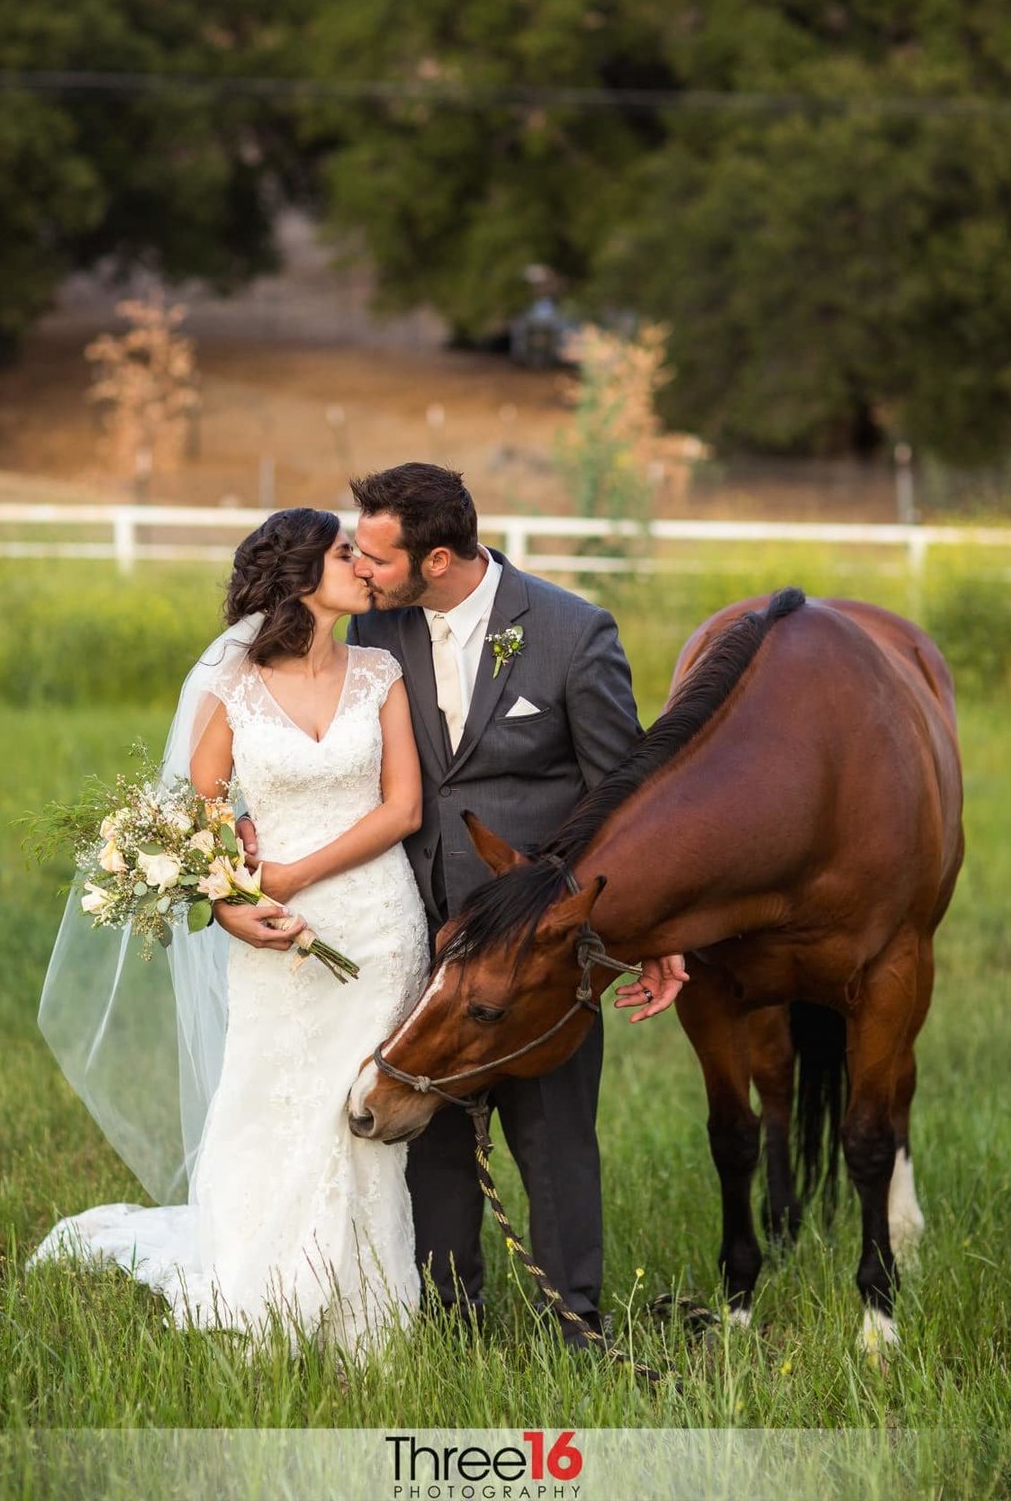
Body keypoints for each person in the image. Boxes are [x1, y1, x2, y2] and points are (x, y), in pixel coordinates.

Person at [242, 465, 685, 1345]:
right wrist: (259, 814)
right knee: (428, 1132)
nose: (360, 568)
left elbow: (631, 801)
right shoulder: (370, 634)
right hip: (404, 933)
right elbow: (301, 723)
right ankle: (450, 1320)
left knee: (554, 1133)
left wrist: (657, 936)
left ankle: (577, 1324)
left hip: (532, 953)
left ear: (436, 558)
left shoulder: (571, 633)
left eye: (375, 554)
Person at [30, 509, 430, 1355]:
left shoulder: (379, 670)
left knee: (356, 1115)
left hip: (378, 924)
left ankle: (370, 1321)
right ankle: (268, 1298)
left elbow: (404, 808)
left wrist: (288, 873)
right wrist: (233, 904)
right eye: (343, 554)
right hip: (277, 939)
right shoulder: (235, 686)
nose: (363, 565)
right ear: (298, 579)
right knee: (271, 1103)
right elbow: (200, 817)